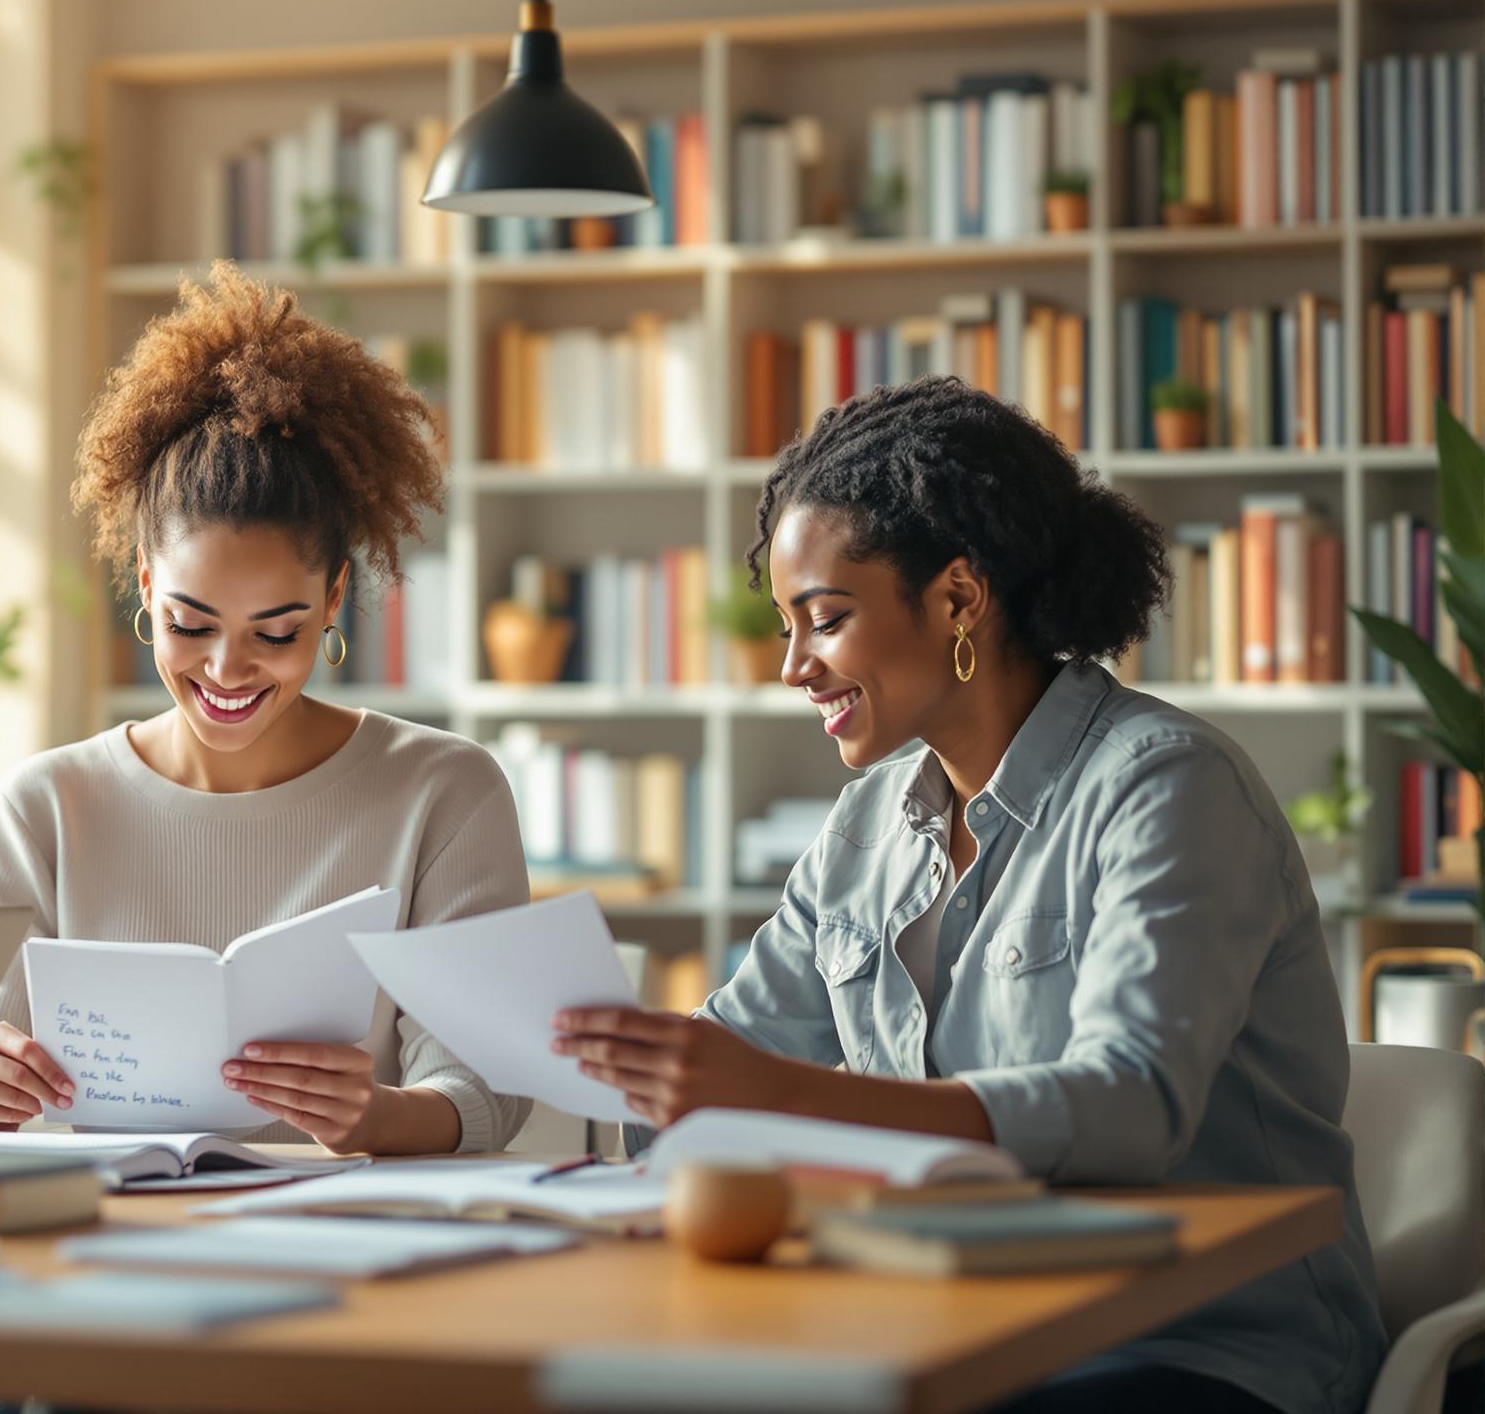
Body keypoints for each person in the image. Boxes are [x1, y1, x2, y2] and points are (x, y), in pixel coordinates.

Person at [550, 379, 1382, 1414]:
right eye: (786, 628)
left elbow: (1131, 1106)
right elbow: (725, 1058)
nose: (795, 668)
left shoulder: (1167, 786)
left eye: (825, 620)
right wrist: (586, 1068)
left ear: (956, 600)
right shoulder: (864, 827)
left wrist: (775, 1094)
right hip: (947, 1326)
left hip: (1195, 1345)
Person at [0, 263, 529, 1156]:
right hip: (107, 1226)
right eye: (190, 624)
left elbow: (484, 1091)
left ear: (333, 599)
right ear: (145, 586)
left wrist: (376, 1116)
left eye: (276, 632)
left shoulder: (443, 791)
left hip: (350, 1228)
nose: (226, 669)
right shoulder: (45, 808)